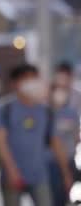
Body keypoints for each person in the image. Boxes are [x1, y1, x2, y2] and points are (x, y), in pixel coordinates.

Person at [0, 64, 73, 206]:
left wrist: (65, 174)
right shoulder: (5, 108)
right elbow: (1, 142)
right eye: (26, 79)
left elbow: (55, 143)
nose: (31, 83)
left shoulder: (46, 111)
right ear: (15, 83)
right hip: (12, 174)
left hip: (39, 175)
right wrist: (11, 170)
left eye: (33, 78)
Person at [47, 71, 80, 206]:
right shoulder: (45, 111)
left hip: (69, 159)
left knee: (65, 196)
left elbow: (75, 136)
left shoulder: (71, 112)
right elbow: (54, 141)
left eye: (64, 88)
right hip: (50, 163)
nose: (61, 92)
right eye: (57, 88)